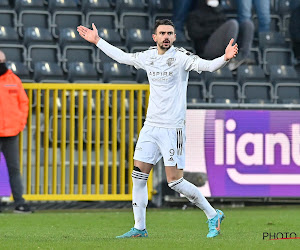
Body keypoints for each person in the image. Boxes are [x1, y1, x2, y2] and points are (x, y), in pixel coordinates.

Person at [77, 19, 238, 238]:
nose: (166, 36)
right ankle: (139, 228)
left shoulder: (181, 57)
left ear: (174, 37)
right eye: (162, 33)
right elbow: (123, 58)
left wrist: (224, 58)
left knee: (175, 182)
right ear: (155, 37)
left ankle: (212, 215)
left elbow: (207, 66)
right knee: (138, 176)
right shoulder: (148, 57)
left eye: (170, 33)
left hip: (172, 128)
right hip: (150, 127)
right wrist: (98, 41)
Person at [0, 50, 32, 213]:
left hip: (11, 133)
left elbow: (24, 104)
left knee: (13, 169)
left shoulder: (14, 80)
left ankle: (20, 202)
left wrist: (19, 124)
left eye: (2, 60)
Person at [186, 0, 254, 70]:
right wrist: (212, 30)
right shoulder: (194, 14)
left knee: (247, 24)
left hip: (221, 44)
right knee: (232, 24)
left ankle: (243, 57)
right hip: (206, 47)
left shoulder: (219, 12)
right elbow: (194, 33)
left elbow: (223, 25)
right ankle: (229, 59)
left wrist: (216, 9)